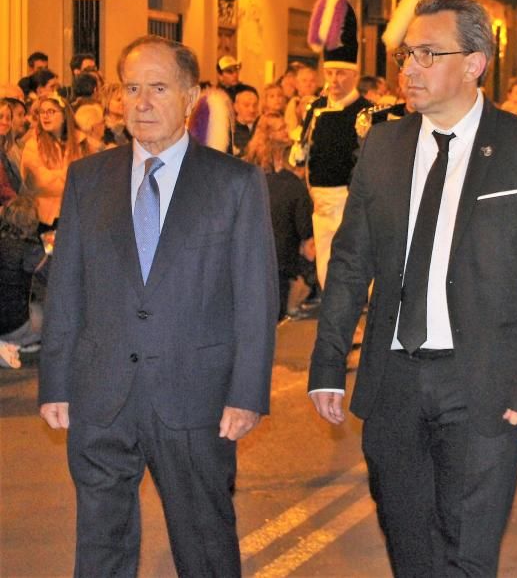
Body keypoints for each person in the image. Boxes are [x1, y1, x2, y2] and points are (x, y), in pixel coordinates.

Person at [308, 0, 517, 576]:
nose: (409, 68)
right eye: (407, 54)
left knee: (467, 553)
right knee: (410, 549)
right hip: (394, 382)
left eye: (428, 55)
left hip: (484, 381)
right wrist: (328, 364)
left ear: (475, 62)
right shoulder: (383, 146)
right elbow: (351, 262)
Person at [37, 35, 278, 576]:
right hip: (102, 398)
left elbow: (256, 298)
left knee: (205, 547)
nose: (141, 102)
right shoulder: (88, 178)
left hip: (195, 401)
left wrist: (247, 394)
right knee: (101, 548)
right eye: (132, 88)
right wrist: (55, 381)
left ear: (191, 96)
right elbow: (67, 287)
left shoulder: (233, 183)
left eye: (159, 88)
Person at [299, 0, 372, 289]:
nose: (334, 81)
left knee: (352, 266)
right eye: (330, 74)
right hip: (319, 200)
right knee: (326, 271)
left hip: (349, 199)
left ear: (354, 74)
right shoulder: (315, 107)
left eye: (341, 73)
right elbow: (304, 148)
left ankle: (356, 325)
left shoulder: (366, 110)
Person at [245, 112, 314, 321]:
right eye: (281, 128)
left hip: (251, 259)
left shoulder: (247, 174)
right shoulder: (291, 184)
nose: (287, 131)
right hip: (280, 260)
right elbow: (306, 230)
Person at [19, 93, 84, 228]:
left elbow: (87, 180)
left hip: (76, 215)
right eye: (42, 112)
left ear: (64, 116)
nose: (45, 116)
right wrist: (71, 175)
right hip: (45, 218)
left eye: (51, 111)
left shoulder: (81, 142)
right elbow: (42, 183)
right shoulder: (33, 145)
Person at [0, 196, 44, 350]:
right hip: (12, 325)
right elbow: (50, 277)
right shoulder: (30, 249)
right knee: (47, 314)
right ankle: (18, 343)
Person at [231, 84, 259, 157]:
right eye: (246, 105)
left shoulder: (262, 126)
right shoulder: (230, 129)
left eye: (255, 105)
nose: (252, 110)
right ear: (236, 107)